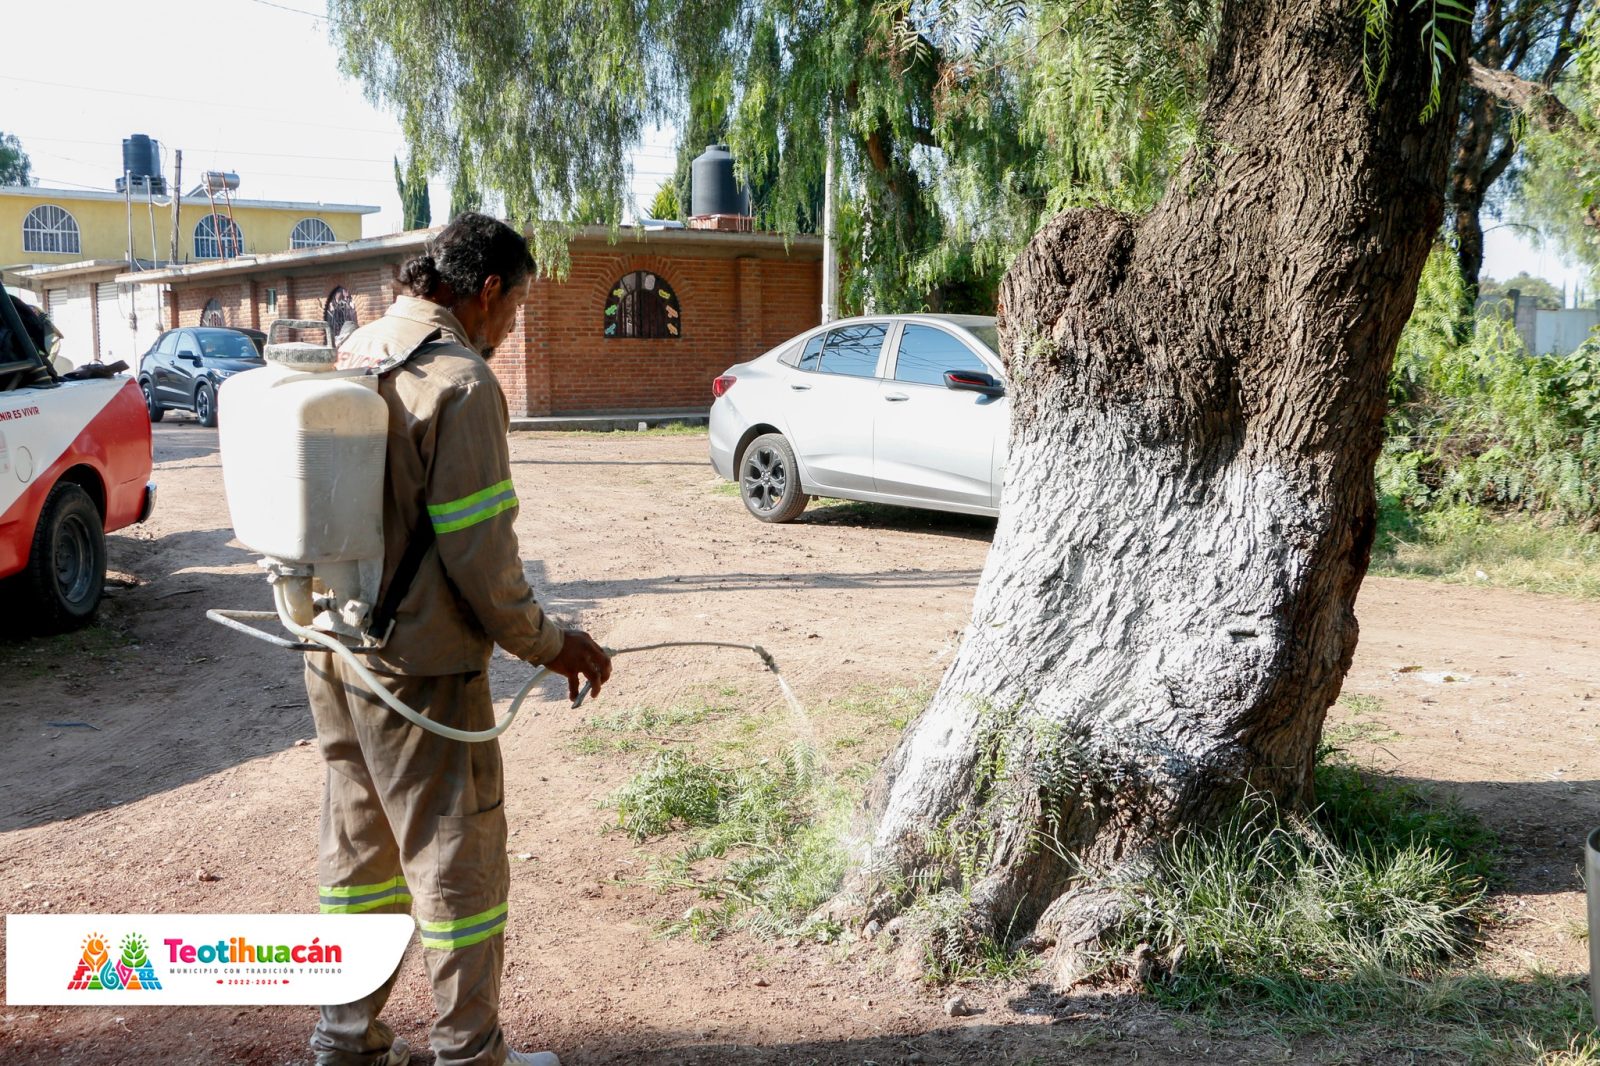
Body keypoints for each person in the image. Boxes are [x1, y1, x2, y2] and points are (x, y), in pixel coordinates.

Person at [306, 212, 611, 1066]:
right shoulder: (461, 382)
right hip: (423, 670)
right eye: (515, 309)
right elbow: (483, 556)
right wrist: (553, 643)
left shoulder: (360, 347)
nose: (511, 327)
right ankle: (470, 1055)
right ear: (485, 293)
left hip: (334, 648)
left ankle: (346, 1042)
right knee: (457, 867)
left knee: (359, 857)